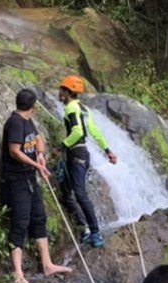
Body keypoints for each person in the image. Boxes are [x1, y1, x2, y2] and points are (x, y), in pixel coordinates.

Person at [1, 88, 72, 283]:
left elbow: (38, 140)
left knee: (39, 218)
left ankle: (47, 264)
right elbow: (14, 151)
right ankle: (18, 273)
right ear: (33, 107)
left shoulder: (27, 121)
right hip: (16, 180)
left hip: (29, 178)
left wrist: (40, 155)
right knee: (21, 222)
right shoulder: (15, 123)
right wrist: (36, 165)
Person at [57, 75, 118, 248]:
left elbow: (77, 131)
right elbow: (95, 132)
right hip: (79, 155)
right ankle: (84, 229)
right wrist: (108, 151)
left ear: (68, 92)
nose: (59, 92)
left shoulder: (70, 108)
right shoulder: (84, 109)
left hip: (77, 155)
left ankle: (95, 232)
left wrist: (62, 145)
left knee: (79, 194)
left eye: (61, 90)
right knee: (67, 193)